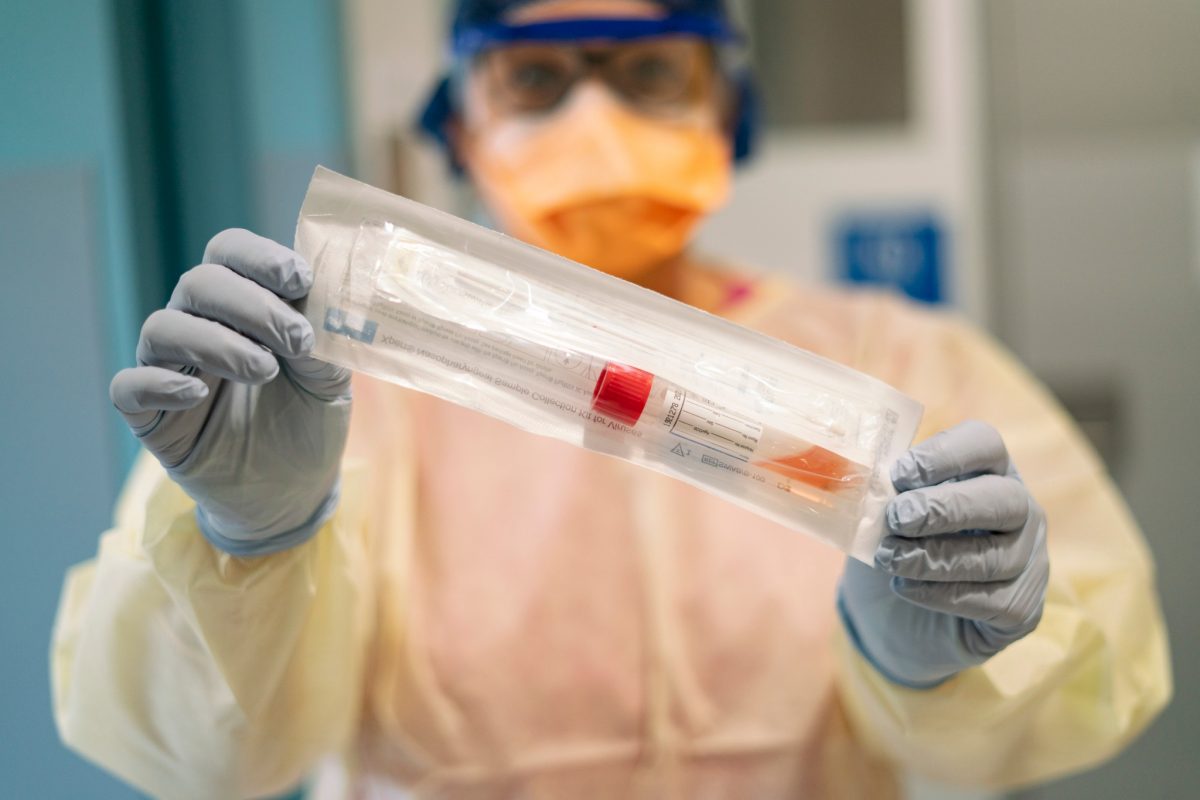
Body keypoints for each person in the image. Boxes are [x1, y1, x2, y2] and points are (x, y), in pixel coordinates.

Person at [52, 1, 1170, 798]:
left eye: (647, 73)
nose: (593, 114)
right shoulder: (327, 371)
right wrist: (252, 536)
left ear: (729, 110)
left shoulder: (898, 358)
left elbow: (1088, 689)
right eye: (535, 77)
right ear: (457, 121)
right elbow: (196, 764)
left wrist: (935, 663)